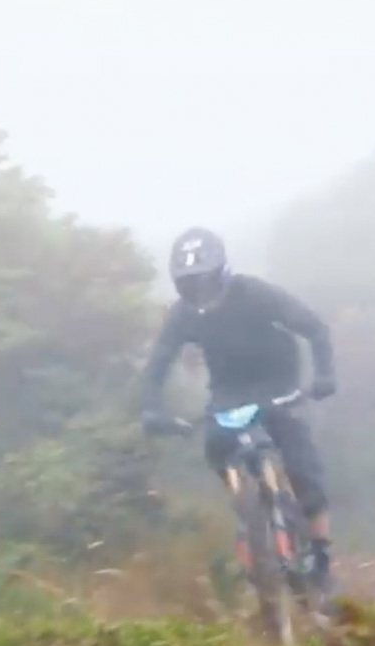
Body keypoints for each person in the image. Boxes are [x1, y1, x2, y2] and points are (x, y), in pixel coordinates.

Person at [139, 226, 339, 596]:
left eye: (207, 283)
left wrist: (324, 375)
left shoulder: (255, 293)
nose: (202, 293)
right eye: (191, 286)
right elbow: (157, 365)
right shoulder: (184, 315)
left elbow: (314, 327)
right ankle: (252, 513)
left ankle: (322, 559)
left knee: (302, 467)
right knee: (215, 444)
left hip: (279, 381)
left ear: (223, 273)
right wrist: (152, 410)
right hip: (230, 391)